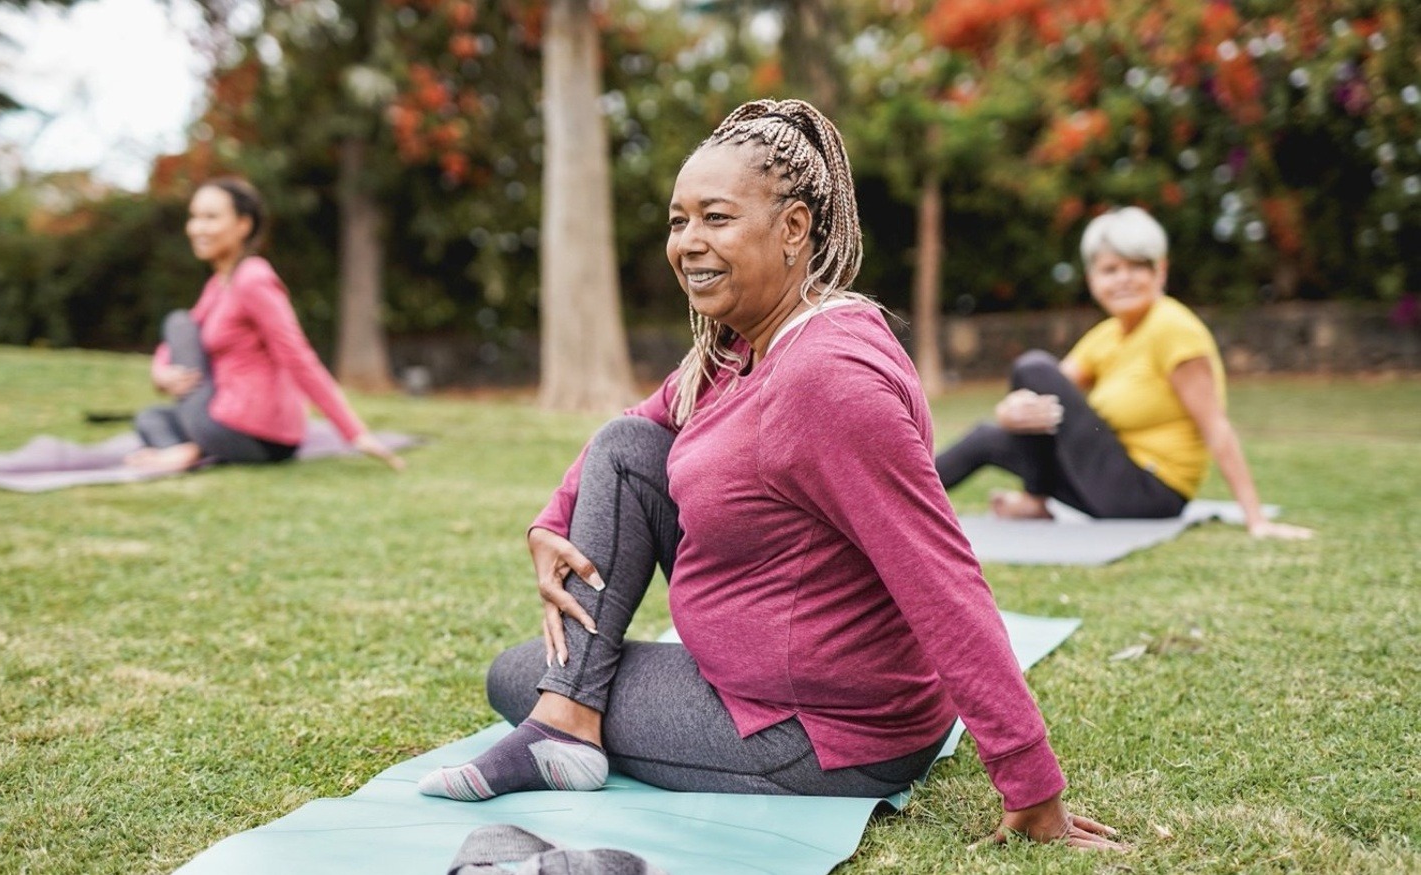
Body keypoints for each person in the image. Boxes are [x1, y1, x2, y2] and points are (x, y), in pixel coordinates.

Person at [419, 100, 1121, 850]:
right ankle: (568, 718)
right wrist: (550, 521)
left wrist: (1032, 785)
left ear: (793, 229)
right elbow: (638, 427)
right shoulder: (742, 345)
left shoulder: (826, 378)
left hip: (820, 733)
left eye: (716, 218)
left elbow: (940, 576)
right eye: (677, 220)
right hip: (771, 686)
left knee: (515, 672)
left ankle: (564, 719)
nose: (689, 242)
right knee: (626, 448)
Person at [934, 207, 1312, 539]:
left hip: (1150, 491)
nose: (1123, 279)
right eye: (1110, 269)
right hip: (1105, 482)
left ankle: (1034, 499)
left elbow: (1215, 425)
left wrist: (1256, 519)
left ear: (1160, 271)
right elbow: (1047, 391)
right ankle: (889, 510)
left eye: (1137, 266)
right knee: (988, 436)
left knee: (1032, 365)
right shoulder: (1107, 335)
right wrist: (1009, 411)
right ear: (1093, 279)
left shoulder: (1173, 328)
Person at [127, 178, 403, 473]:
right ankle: (188, 449)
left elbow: (298, 356)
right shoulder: (219, 284)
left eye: (211, 217)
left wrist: (355, 432)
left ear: (243, 225)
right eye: (194, 217)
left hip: (253, 430)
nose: (197, 228)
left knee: (177, 321)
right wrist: (161, 373)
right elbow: (179, 340)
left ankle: (189, 449)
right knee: (150, 418)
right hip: (226, 422)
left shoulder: (252, 278)